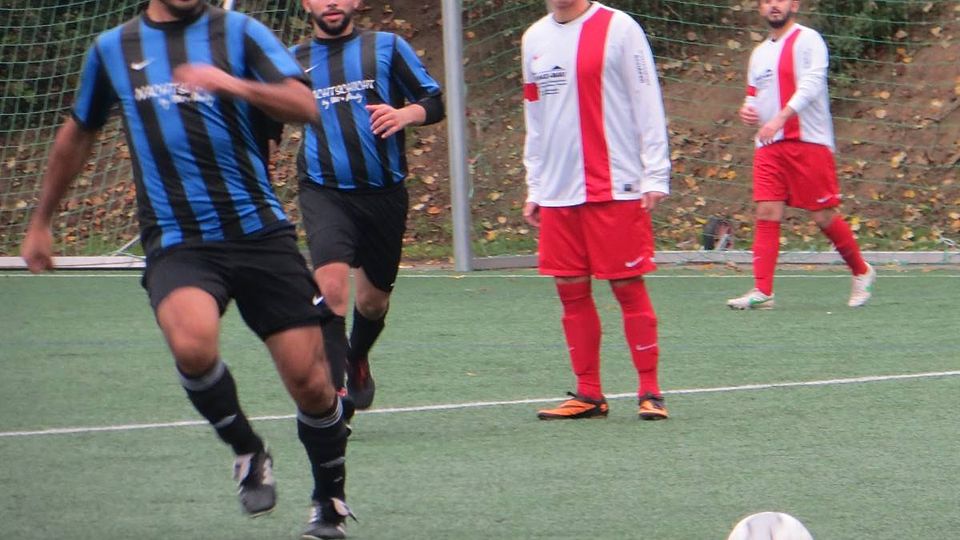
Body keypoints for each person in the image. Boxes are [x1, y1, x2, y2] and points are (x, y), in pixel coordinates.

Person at [20, 1, 354, 537]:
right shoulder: (113, 49)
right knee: (193, 346)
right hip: (178, 240)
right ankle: (248, 451)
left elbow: (305, 104)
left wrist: (233, 85)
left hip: (259, 234)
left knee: (311, 384)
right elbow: (78, 134)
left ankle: (328, 498)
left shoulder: (239, 33)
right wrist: (42, 220)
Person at [286, 0, 444, 416]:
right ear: (305, 3)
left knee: (373, 303)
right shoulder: (291, 61)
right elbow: (261, 114)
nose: (331, 2)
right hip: (324, 191)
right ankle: (335, 396)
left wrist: (405, 114)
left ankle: (356, 356)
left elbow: (434, 100)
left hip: (383, 195)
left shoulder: (386, 47)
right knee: (332, 289)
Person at [521, 0, 671, 420]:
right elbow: (535, 117)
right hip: (558, 190)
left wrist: (655, 174)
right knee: (569, 288)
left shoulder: (619, 28)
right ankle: (589, 394)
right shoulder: (533, 38)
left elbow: (647, 100)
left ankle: (650, 391)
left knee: (626, 286)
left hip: (615, 184)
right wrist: (536, 185)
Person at [727, 0, 876, 310]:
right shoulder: (759, 54)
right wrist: (748, 111)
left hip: (809, 141)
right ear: (760, 9)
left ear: (794, 5)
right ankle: (763, 291)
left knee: (823, 216)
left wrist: (781, 117)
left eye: (779, 0)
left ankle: (861, 271)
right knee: (767, 211)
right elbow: (753, 96)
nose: (773, 6)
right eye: (766, 2)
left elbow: (812, 84)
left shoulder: (809, 40)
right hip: (769, 145)